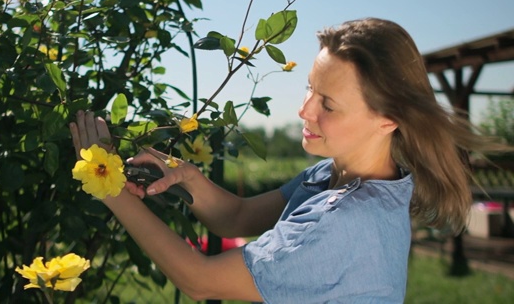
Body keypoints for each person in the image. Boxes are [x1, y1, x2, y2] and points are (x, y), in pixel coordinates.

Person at [70, 18, 508, 303]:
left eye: (328, 104)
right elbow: (238, 216)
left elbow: (198, 279)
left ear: (387, 119)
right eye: (309, 89)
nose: (305, 111)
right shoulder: (339, 175)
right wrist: (188, 177)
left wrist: (104, 183)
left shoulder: (346, 220)